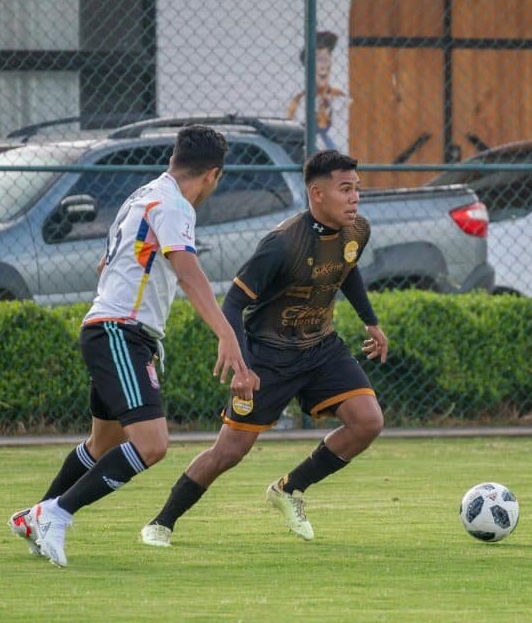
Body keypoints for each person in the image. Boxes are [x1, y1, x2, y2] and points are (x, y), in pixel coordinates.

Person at [8, 125, 255, 567]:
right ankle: (57, 513)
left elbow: (107, 262)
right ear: (213, 175)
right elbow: (187, 271)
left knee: (103, 444)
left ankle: (36, 515)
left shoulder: (141, 196)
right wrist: (226, 334)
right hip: (121, 332)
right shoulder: (175, 205)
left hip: (110, 329)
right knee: (152, 443)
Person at [139, 149, 388, 547]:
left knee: (368, 420)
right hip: (268, 357)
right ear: (317, 194)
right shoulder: (281, 243)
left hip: (320, 347)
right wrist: (241, 366)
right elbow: (235, 303)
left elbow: (347, 267)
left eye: (357, 188)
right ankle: (161, 522)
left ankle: (289, 488)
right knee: (229, 452)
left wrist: (370, 320)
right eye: (345, 189)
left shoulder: (357, 229)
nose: (355, 197)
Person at [286, 30, 348, 151]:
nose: (324, 66)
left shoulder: (340, 99)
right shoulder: (299, 101)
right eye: (319, 60)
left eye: (327, 59)